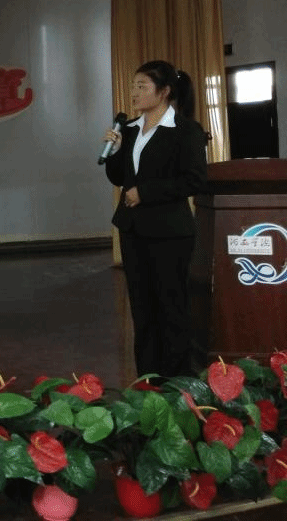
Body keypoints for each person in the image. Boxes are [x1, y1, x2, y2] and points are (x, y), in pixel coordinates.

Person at [104, 60, 208, 380]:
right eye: (133, 86)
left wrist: (145, 193)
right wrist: (115, 151)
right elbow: (118, 178)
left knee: (171, 308)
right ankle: (148, 381)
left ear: (164, 92)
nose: (134, 92)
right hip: (133, 230)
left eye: (142, 86)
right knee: (142, 309)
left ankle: (177, 382)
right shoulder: (129, 129)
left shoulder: (186, 131)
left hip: (170, 233)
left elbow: (194, 180)